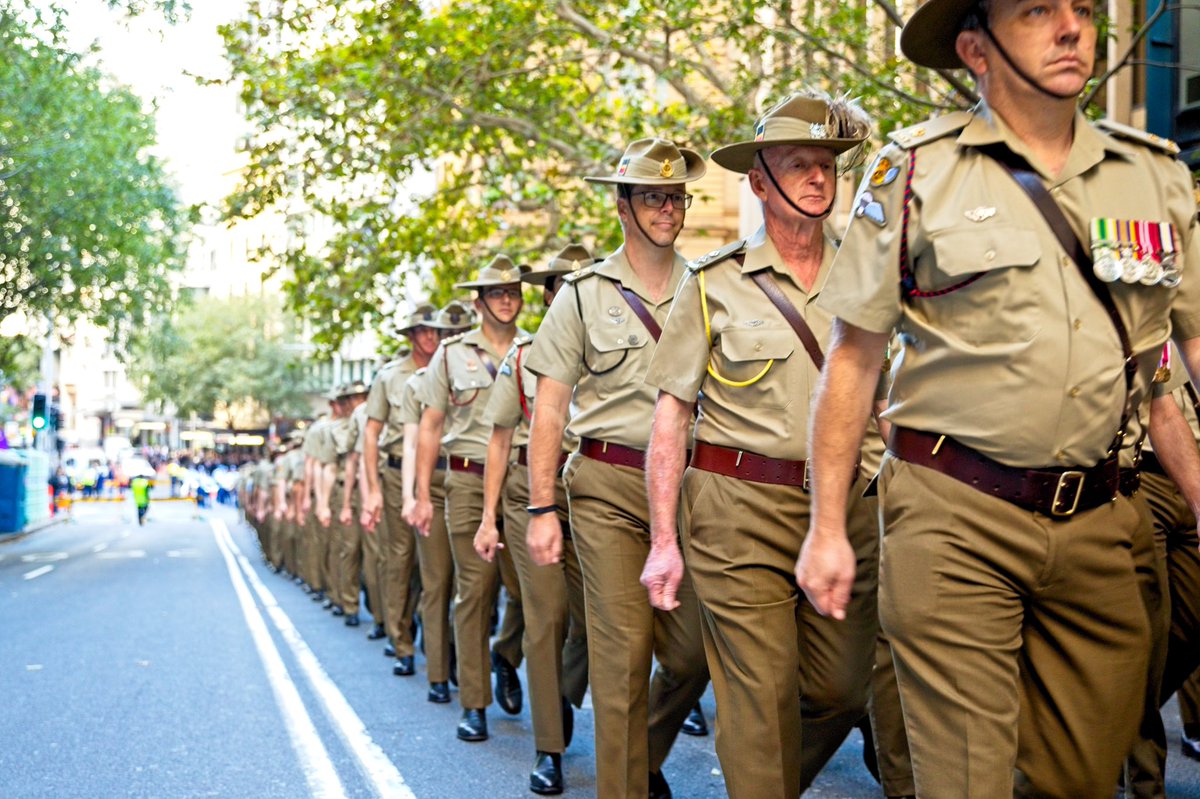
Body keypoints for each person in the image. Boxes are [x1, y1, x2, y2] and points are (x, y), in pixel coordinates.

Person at [795, 0, 1200, 795]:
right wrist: (828, 528)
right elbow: (852, 358)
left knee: (1080, 777)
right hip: (954, 514)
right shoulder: (917, 169)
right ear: (976, 49)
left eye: (1082, 8)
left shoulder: (1154, 174)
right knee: (968, 776)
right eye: (1038, 10)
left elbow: (1185, 350)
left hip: (1103, 523)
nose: (1071, 27)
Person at [642, 92, 880, 799]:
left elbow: (891, 404)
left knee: (842, 688)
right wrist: (663, 539)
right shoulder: (713, 285)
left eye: (828, 165)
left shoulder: (867, 276)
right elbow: (670, 418)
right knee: (759, 693)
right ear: (758, 181)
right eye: (799, 164)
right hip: (736, 509)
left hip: (845, 507)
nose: (818, 178)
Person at [524, 137, 711, 799]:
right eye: (654, 195)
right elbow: (548, 407)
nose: (669, 207)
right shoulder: (582, 294)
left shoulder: (710, 285)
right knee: (622, 656)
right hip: (605, 487)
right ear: (624, 204)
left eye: (677, 196)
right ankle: (623, 782)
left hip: (688, 488)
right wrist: (542, 507)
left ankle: (640, 751)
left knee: (692, 653)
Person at [474, 244, 595, 794]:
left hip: (594, 488)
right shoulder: (523, 357)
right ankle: (549, 746)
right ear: (548, 297)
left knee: (596, 619)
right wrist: (487, 517)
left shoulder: (617, 345)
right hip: (532, 490)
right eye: (557, 286)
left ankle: (561, 693)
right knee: (546, 617)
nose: (568, 293)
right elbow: (499, 440)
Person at [412, 256, 531, 743]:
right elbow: (430, 426)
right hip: (465, 480)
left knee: (529, 591)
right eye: (496, 293)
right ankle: (475, 703)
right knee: (475, 590)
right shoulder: (450, 354)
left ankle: (506, 652)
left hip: (522, 480)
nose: (507, 299)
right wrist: (421, 495)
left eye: (513, 292)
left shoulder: (537, 348)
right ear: (478, 302)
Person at [403, 300, 477, 704]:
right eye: (445, 334)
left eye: (458, 332)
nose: (450, 340)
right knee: (437, 582)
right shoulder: (419, 381)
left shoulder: (494, 368)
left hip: (476, 479)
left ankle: (469, 659)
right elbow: (416, 438)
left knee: (476, 587)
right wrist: (415, 495)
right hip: (435, 479)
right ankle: (437, 671)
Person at [360, 302, 441, 672]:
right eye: (423, 330)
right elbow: (372, 433)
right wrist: (373, 489)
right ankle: (402, 642)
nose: (430, 335)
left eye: (435, 329)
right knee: (400, 558)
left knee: (439, 566)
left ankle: (434, 633)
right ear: (411, 336)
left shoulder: (452, 366)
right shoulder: (389, 376)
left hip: (445, 473)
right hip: (396, 473)